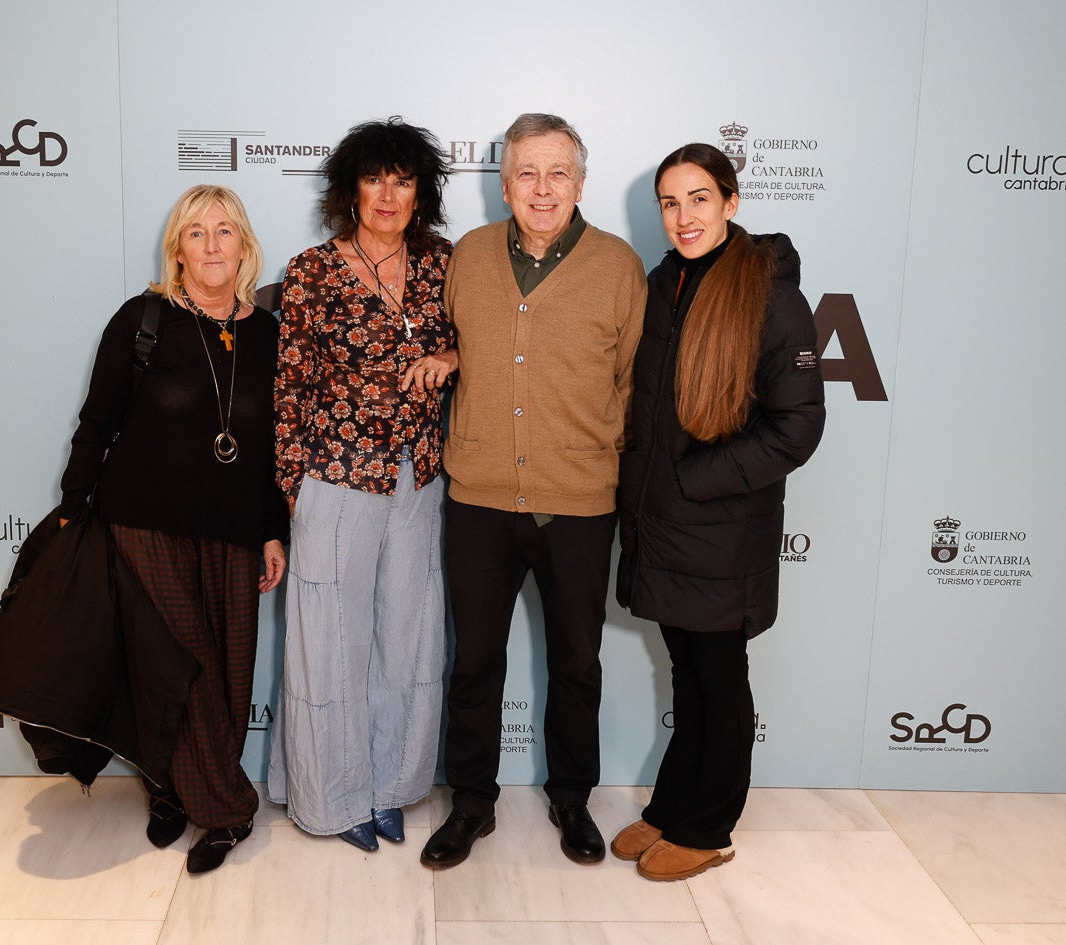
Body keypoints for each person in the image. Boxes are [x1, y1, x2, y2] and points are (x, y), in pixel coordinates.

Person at [420, 113, 646, 870]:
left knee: (576, 661)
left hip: (578, 505)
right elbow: (446, 341)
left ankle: (571, 796)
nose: (542, 189)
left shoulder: (617, 266)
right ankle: (472, 803)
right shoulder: (468, 257)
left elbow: (632, 384)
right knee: (475, 660)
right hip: (478, 499)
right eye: (526, 173)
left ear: (579, 183)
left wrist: (591, 454)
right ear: (503, 183)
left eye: (557, 173)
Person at [59, 185, 288, 874]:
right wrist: (74, 506)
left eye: (224, 231)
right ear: (177, 248)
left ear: (244, 245)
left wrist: (273, 531)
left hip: (233, 528)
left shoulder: (267, 333)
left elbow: (275, 446)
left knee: (226, 671)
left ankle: (171, 788)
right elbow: (97, 421)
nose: (212, 245)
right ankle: (224, 809)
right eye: (196, 233)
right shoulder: (142, 318)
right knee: (178, 665)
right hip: (143, 522)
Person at [611, 143, 825, 881]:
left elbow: (796, 428)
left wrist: (695, 479)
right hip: (662, 524)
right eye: (669, 202)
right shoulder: (663, 281)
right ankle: (674, 807)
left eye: (698, 198)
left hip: (720, 527)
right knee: (688, 671)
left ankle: (708, 828)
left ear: (730, 202)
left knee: (716, 673)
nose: (683, 216)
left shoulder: (769, 296)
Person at [269, 118, 456, 852]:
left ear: (421, 192)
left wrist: (450, 353)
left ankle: (388, 788)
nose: (387, 193)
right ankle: (330, 798)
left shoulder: (444, 263)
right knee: (329, 644)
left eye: (402, 179)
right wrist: (293, 492)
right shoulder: (312, 270)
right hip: (334, 477)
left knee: (406, 639)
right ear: (350, 188)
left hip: (417, 477)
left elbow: (491, 335)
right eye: (374, 177)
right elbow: (289, 388)